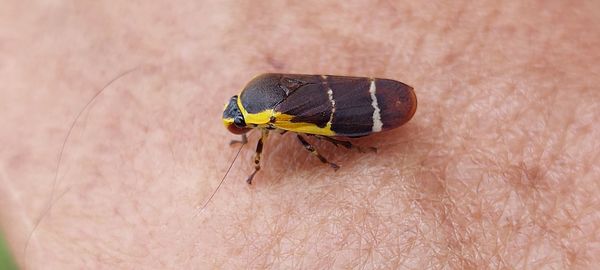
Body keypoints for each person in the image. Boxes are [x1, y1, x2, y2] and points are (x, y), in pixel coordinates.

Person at [1, 1, 598, 269]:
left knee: (308, 138)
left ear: (249, 116)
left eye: (242, 124)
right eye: (241, 125)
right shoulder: (261, 89)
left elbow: (298, 135)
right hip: (332, 89)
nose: (244, 128)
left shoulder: (268, 116)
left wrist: (277, 156)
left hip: (358, 109)